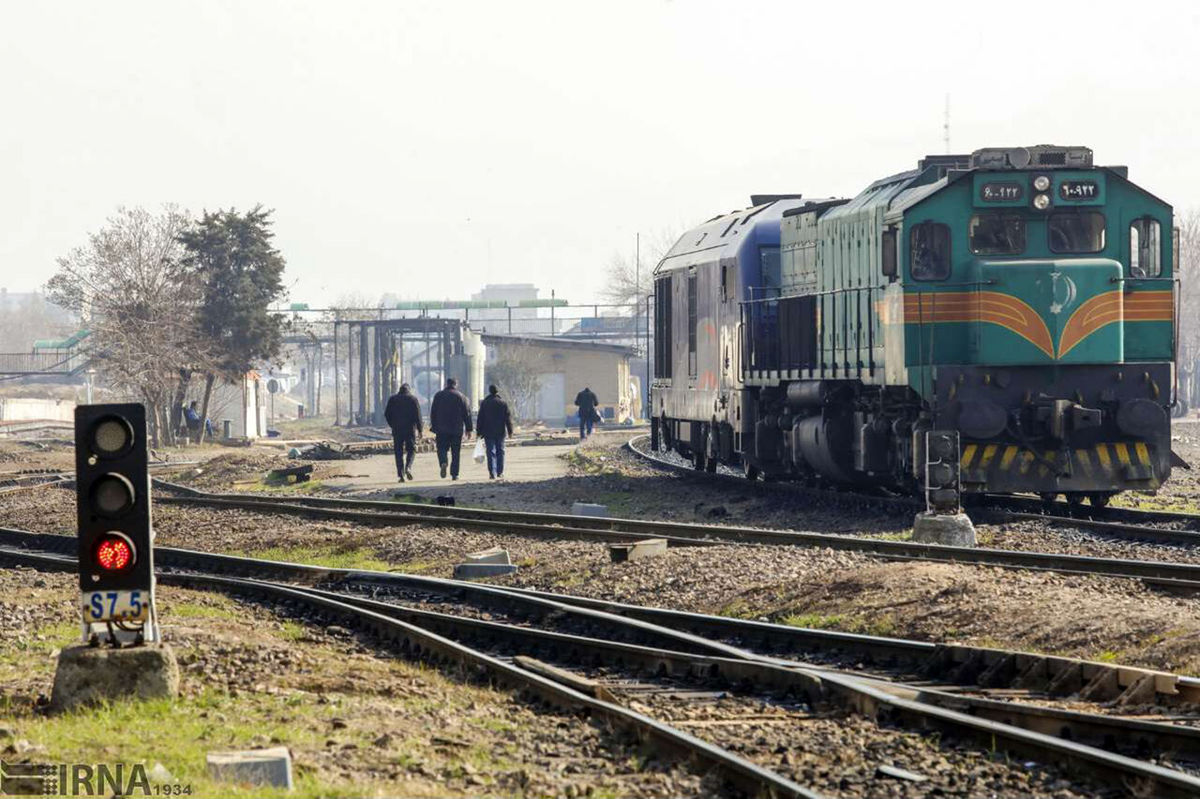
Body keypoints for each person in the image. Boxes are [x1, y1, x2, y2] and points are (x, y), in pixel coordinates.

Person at [429, 377, 473, 480]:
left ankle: (443, 462)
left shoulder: (438, 396)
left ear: (446, 384)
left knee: (441, 448)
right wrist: (469, 428)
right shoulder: (461, 397)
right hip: (456, 429)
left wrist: (434, 426)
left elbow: (433, 412)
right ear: (456, 385)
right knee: (455, 452)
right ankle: (455, 474)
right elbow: (467, 414)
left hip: (441, 429)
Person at [384, 383, 422, 483]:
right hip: (410, 429)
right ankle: (408, 467)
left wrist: (392, 424)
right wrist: (420, 429)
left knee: (398, 451)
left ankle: (401, 475)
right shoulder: (413, 399)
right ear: (409, 390)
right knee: (411, 449)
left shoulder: (393, 399)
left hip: (397, 429)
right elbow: (418, 415)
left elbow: (387, 414)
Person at [475, 384, 514, 479]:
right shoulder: (503, 403)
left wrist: (478, 432)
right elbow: (508, 419)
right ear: (497, 391)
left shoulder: (485, 403)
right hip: (500, 431)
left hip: (488, 431)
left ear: (489, 391)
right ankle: (500, 472)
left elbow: (480, 418)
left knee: (490, 451)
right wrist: (510, 431)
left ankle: (492, 473)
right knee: (500, 451)